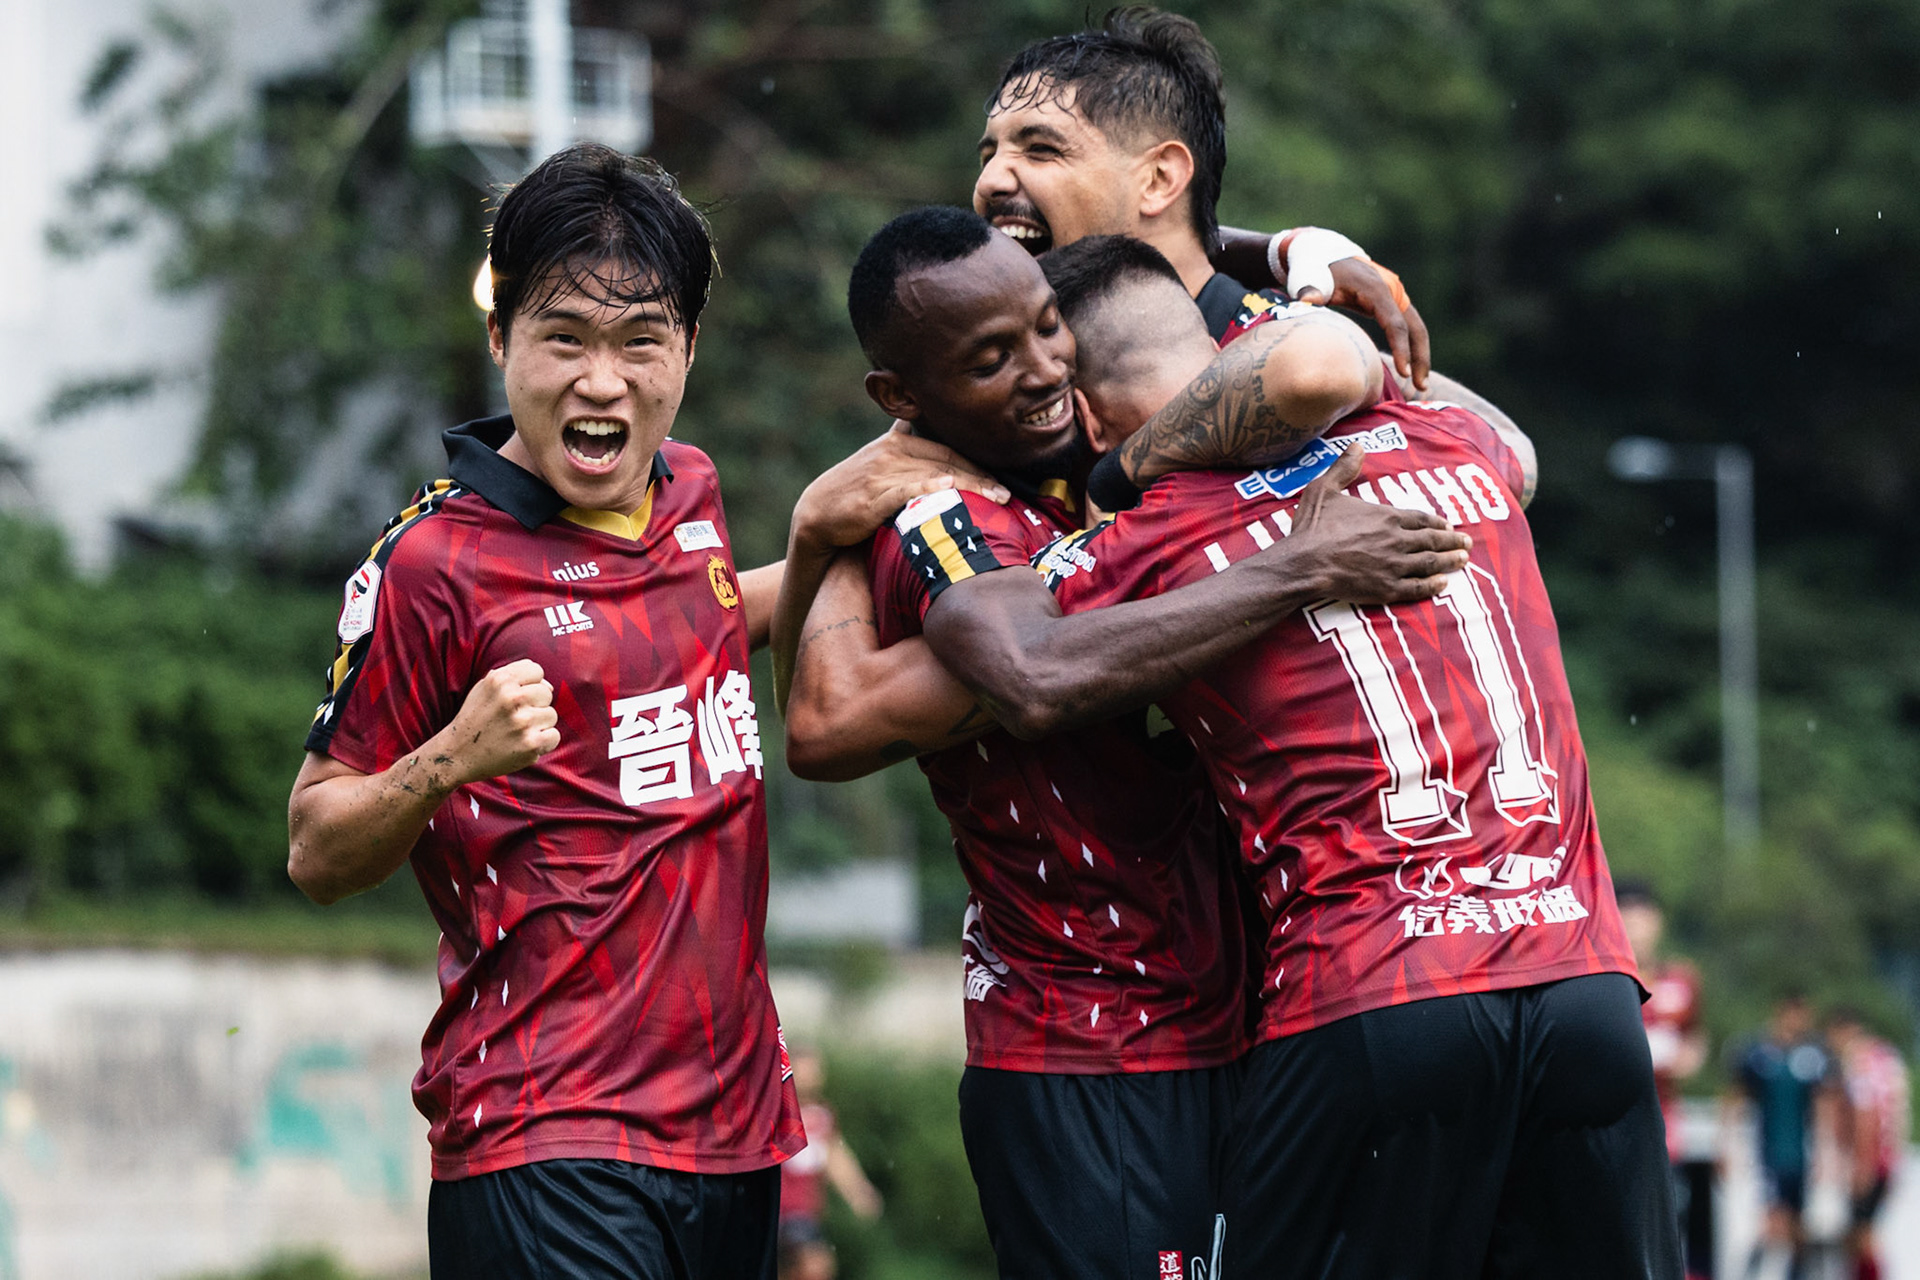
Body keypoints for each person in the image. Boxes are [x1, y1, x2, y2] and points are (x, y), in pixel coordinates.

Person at [283, 145, 999, 1280]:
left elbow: (705, 609)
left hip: (735, 1131)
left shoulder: (692, 493)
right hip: (543, 1135)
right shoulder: (432, 563)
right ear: (501, 338)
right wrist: (451, 757)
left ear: (690, 347)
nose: (602, 381)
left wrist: (820, 531)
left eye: (640, 340)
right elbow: (316, 846)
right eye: (564, 337)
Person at [920, 233, 1670, 1276]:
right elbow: (1504, 437)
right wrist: (1271, 268)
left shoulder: (1154, 539)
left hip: (1374, 1001)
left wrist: (917, 500)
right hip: (1586, 986)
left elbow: (1012, 654)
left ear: (1086, 411)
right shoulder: (1449, 437)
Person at [782, 208, 1472, 1279]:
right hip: (1088, 1046)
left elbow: (1465, 433)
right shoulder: (940, 516)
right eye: (991, 359)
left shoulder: (1115, 468)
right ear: (905, 397)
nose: (1044, 367)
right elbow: (858, 715)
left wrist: (1290, 247)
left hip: (1246, 1021)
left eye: (1049, 326)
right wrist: (815, 527)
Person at [1620, 880, 1715, 1279]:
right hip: (1616, 1123)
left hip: (1664, 1124)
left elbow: (1697, 1038)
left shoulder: (1681, 981)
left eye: (1646, 919)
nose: (1640, 929)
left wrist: (1683, 1057)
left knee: (1667, 1224)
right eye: (1631, 920)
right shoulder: (1607, 980)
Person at [1732, 994, 1836, 1280]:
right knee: (1773, 1221)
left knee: (1799, 1226)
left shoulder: (1813, 1056)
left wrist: (1827, 1153)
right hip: (1768, 1151)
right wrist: (1728, 1144)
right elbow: (1737, 1096)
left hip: (1801, 1152)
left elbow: (1823, 1104)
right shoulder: (1759, 1053)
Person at [777, 1049, 883, 1280]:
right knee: (814, 1265)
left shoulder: (823, 1115)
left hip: (805, 1212)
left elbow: (835, 1156)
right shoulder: (776, 1109)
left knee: (809, 1268)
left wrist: (858, 1191)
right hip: (778, 1209)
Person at [1826, 1009, 1908, 1280]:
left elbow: (1866, 1117)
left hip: (1870, 1161)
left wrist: (1861, 1165)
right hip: (1888, 1160)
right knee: (1862, 1234)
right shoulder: (1887, 1057)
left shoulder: (1858, 1063)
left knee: (1862, 1237)